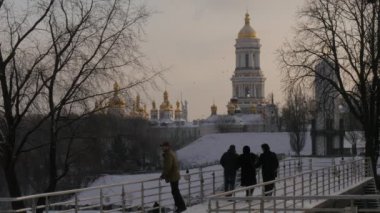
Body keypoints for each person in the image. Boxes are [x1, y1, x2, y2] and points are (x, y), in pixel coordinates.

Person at [159, 142, 186, 213]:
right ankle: (180, 206)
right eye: (162, 146)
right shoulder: (170, 153)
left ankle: (181, 206)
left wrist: (163, 175)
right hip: (174, 175)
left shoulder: (168, 154)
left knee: (175, 191)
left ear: (167, 147)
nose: (162, 148)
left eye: (163, 146)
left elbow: (168, 166)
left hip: (173, 176)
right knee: (175, 191)